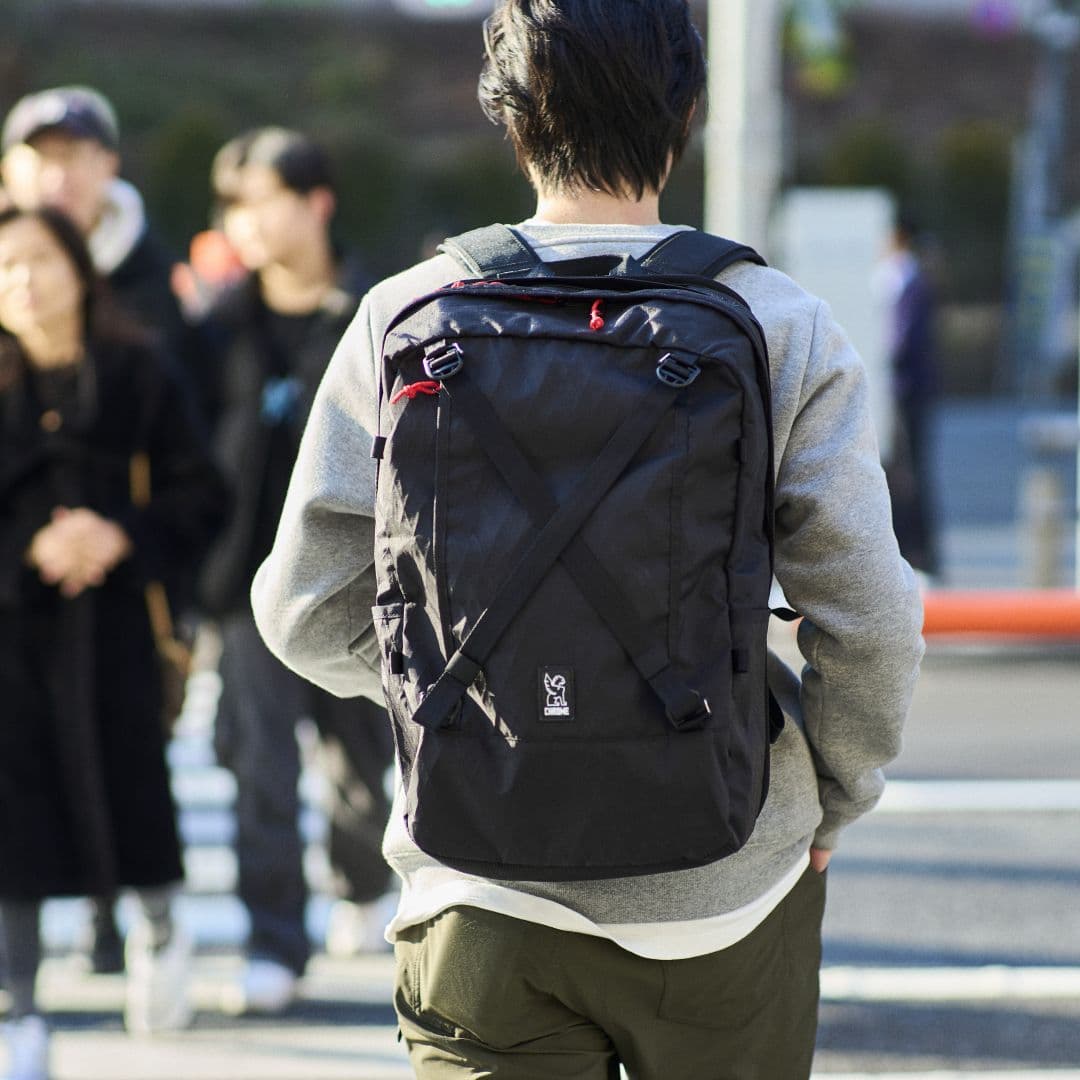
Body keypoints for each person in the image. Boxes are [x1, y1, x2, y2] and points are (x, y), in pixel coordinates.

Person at [251, 2, 924, 1076]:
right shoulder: (779, 323)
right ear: (686, 112)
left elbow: (299, 607)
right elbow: (873, 616)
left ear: (506, 114)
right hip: (725, 883)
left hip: (478, 882)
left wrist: (469, 689)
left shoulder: (402, 314)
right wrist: (833, 793)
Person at [0, 206, 227, 1080]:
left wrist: (119, 535)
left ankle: (160, 939)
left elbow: (202, 489)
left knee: (136, 787)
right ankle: (23, 1006)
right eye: (7, 266)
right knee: (13, 819)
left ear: (77, 269)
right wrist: (31, 545)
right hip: (15, 638)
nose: (24, 281)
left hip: (120, 629)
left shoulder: (139, 371)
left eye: (40, 261)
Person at [197, 128, 394, 1017]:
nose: (245, 223)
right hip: (245, 585)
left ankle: (360, 880)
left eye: (262, 200)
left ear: (317, 203)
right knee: (260, 771)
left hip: (357, 579)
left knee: (361, 761)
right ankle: (274, 940)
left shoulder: (377, 312)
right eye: (232, 205)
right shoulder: (213, 328)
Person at [877, 213, 940, 579]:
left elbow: (902, 339)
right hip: (902, 388)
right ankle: (913, 550)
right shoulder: (901, 278)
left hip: (908, 389)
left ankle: (920, 553)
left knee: (911, 470)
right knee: (904, 470)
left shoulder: (909, 280)